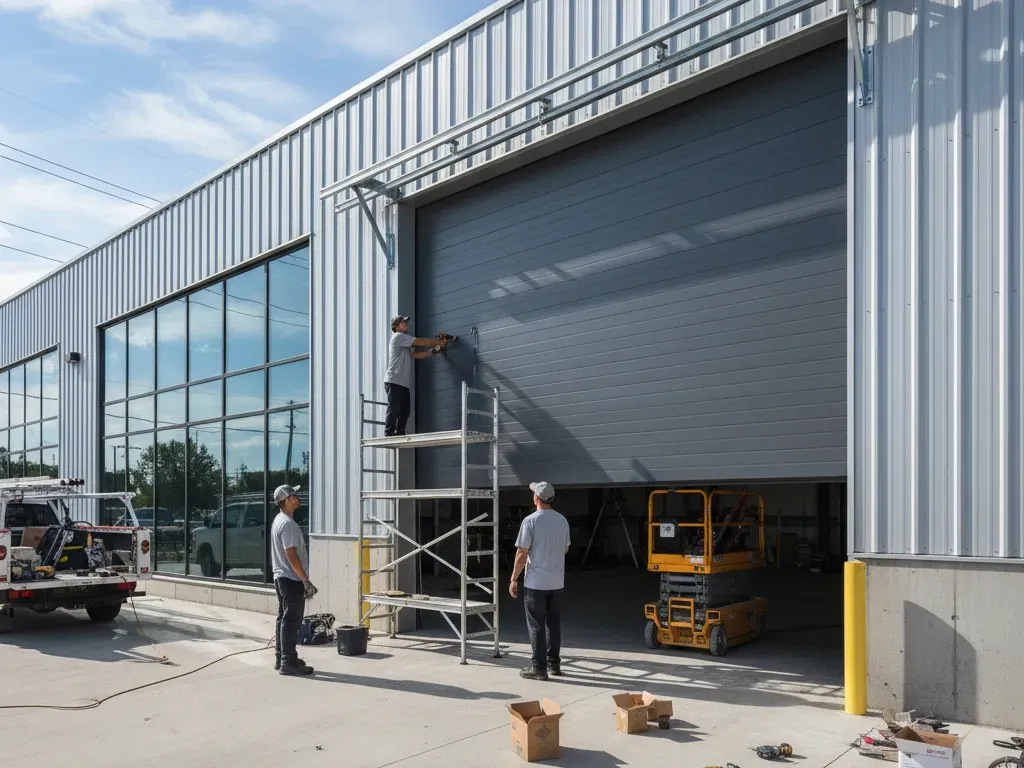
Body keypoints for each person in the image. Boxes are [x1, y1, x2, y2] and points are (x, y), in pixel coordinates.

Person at [509, 481, 571, 681]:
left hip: (536, 583)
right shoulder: (562, 520)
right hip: (557, 582)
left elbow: (521, 552)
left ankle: (538, 668)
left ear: (536, 498)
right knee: (553, 624)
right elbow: (565, 549)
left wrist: (513, 579)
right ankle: (554, 664)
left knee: (536, 624)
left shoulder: (530, 521)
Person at [270, 484, 317, 676]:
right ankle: (288, 662)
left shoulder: (279, 520)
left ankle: (282, 657)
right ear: (287, 500)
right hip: (290, 578)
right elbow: (291, 554)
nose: (298, 498)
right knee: (291, 620)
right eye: (294, 495)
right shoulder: (288, 524)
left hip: (281, 577)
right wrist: (305, 580)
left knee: (283, 618)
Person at [384, 315, 447, 436]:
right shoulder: (399, 337)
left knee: (405, 410)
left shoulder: (405, 343)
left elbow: (415, 355)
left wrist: (434, 351)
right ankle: (389, 432)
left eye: (406, 322)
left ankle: (400, 431)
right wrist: (439, 341)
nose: (406, 324)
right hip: (394, 380)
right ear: (396, 326)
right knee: (394, 408)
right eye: (403, 323)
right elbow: (420, 342)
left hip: (403, 382)